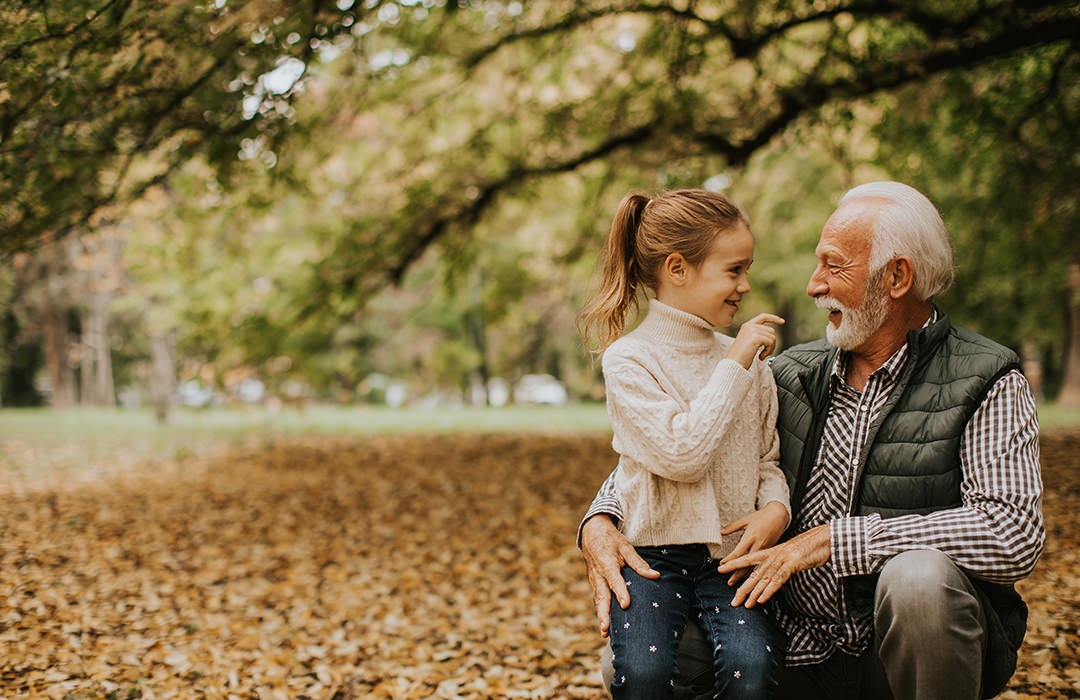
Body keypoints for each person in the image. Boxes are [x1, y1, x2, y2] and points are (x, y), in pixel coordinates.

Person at [578, 181, 1045, 700]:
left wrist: (838, 541)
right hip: (790, 645)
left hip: (895, 659)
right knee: (630, 661)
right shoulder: (789, 373)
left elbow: (1013, 534)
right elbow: (682, 448)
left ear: (896, 277)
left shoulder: (986, 379)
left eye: (833, 265)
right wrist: (599, 520)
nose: (813, 285)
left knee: (919, 581)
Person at [577, 188, 792, 699]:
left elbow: (767, 458)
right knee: (645, 677)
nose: (745, 284)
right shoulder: (629, 361)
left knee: (752, 669)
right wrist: (734, 363)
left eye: (747, 269)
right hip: (652, 557)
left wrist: (776, 507)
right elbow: (683, 455)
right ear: (678, 268)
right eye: (734, 270)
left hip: (732, 558)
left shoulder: (749, 363)